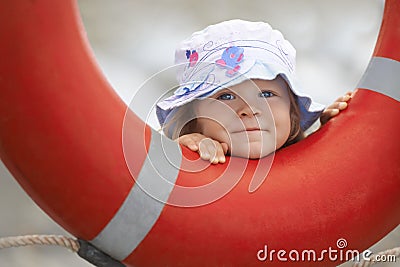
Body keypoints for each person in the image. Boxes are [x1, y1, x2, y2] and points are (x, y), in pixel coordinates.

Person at [156, 19, 351, 164]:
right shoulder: (189, 150)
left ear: (292, 112)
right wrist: (183, 152)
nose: (249, 109)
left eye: (266, 94)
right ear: (193, 118)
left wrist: (327, 140)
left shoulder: (311, 161)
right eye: (226, 96)